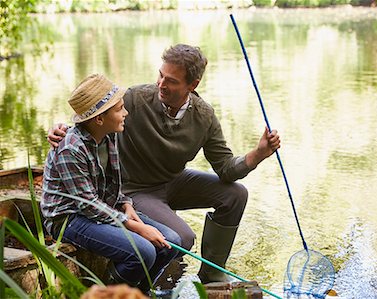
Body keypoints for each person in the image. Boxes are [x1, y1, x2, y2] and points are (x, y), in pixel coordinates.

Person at [47, 44, 281, 284]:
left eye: (171, 81)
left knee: (235, 195)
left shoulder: (204, 116)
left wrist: (259, 153)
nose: (161, 84)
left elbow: (226, 169)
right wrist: (60, 128)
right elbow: (92, 116)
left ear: (193, 85)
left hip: (172, 182)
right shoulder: (135, 99)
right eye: (160, 75)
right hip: (135, 189)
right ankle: (126, 285)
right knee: (181, 238)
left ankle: (211, 275)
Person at [41, 74, 181, 293]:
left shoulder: (108, 135)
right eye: (120, 109)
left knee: (172, 241)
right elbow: (87, 204)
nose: (125, 113)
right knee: (143, 251)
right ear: (99, 119)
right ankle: (105, 294)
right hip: (70, 218)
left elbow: (114, 183)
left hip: (104, 207)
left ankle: (140, 293)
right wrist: (136, 227)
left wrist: (126, 204)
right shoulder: (71, 149)